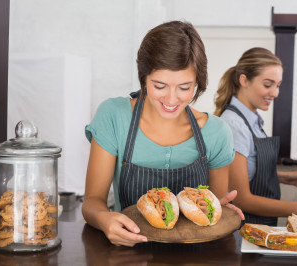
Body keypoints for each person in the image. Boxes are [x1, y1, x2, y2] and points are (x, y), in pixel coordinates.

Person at [82, 20, 243, 247]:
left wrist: (221, 210)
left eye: (185, 88)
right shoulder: (113, 116)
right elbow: (91, 202)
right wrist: (103, 218)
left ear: (198, 82)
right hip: (129, 250)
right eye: (159, 86)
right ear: (144, 78)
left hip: (197, 257)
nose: (171, 99)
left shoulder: (216, 132)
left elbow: (213, 212)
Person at [214, 47, 297, 226]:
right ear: (244, 80)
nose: (275, 93)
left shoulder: (252, 120)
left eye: (278, 85)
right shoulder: (234, 125)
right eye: (267, 84)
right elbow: (242, 199)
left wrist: (282, 177)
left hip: (256, 226)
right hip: (239, 228)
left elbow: (246, 172)